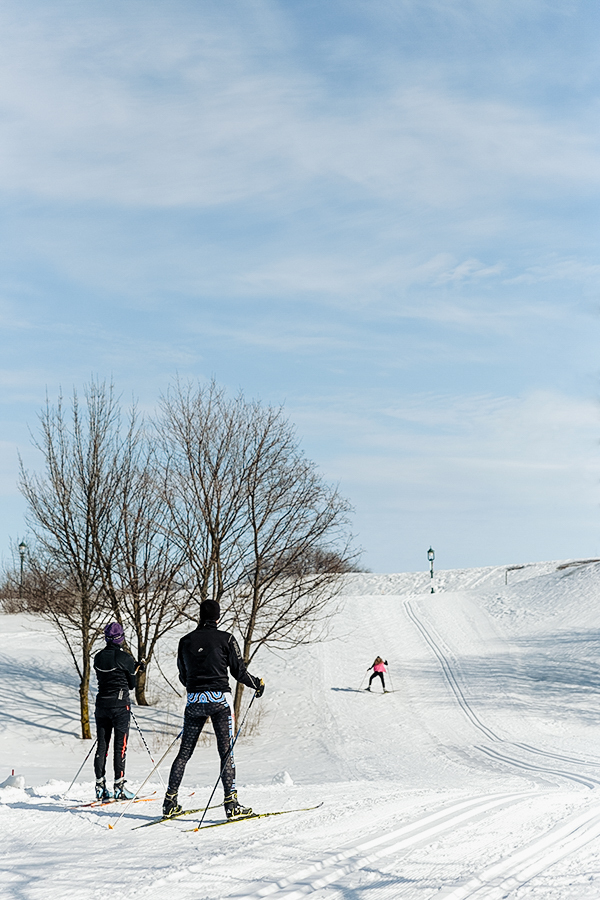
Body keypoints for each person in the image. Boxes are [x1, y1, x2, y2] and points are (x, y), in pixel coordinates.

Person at [162, 598, 265, 820]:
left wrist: (196, 689)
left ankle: (170, 801)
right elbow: (239, 672)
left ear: (200, 616)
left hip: (194, 701)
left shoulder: (185, 641)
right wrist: (257, 683)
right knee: (226, 752)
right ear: (217, 617)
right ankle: (231, 803)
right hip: (220, 700)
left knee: (184, 753)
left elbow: (183, 674)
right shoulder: (226, 638)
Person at [93, 622, 144, 801]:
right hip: (120, 706)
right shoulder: (125, 658)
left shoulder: (97, 657)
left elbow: (108, 676)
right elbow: (131, 684)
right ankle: (119, 787)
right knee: (119, 746)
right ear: (120, 638)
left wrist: (131, 667)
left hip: (101, 706)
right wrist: (135, 669)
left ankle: (100, 786)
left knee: (102, 745)